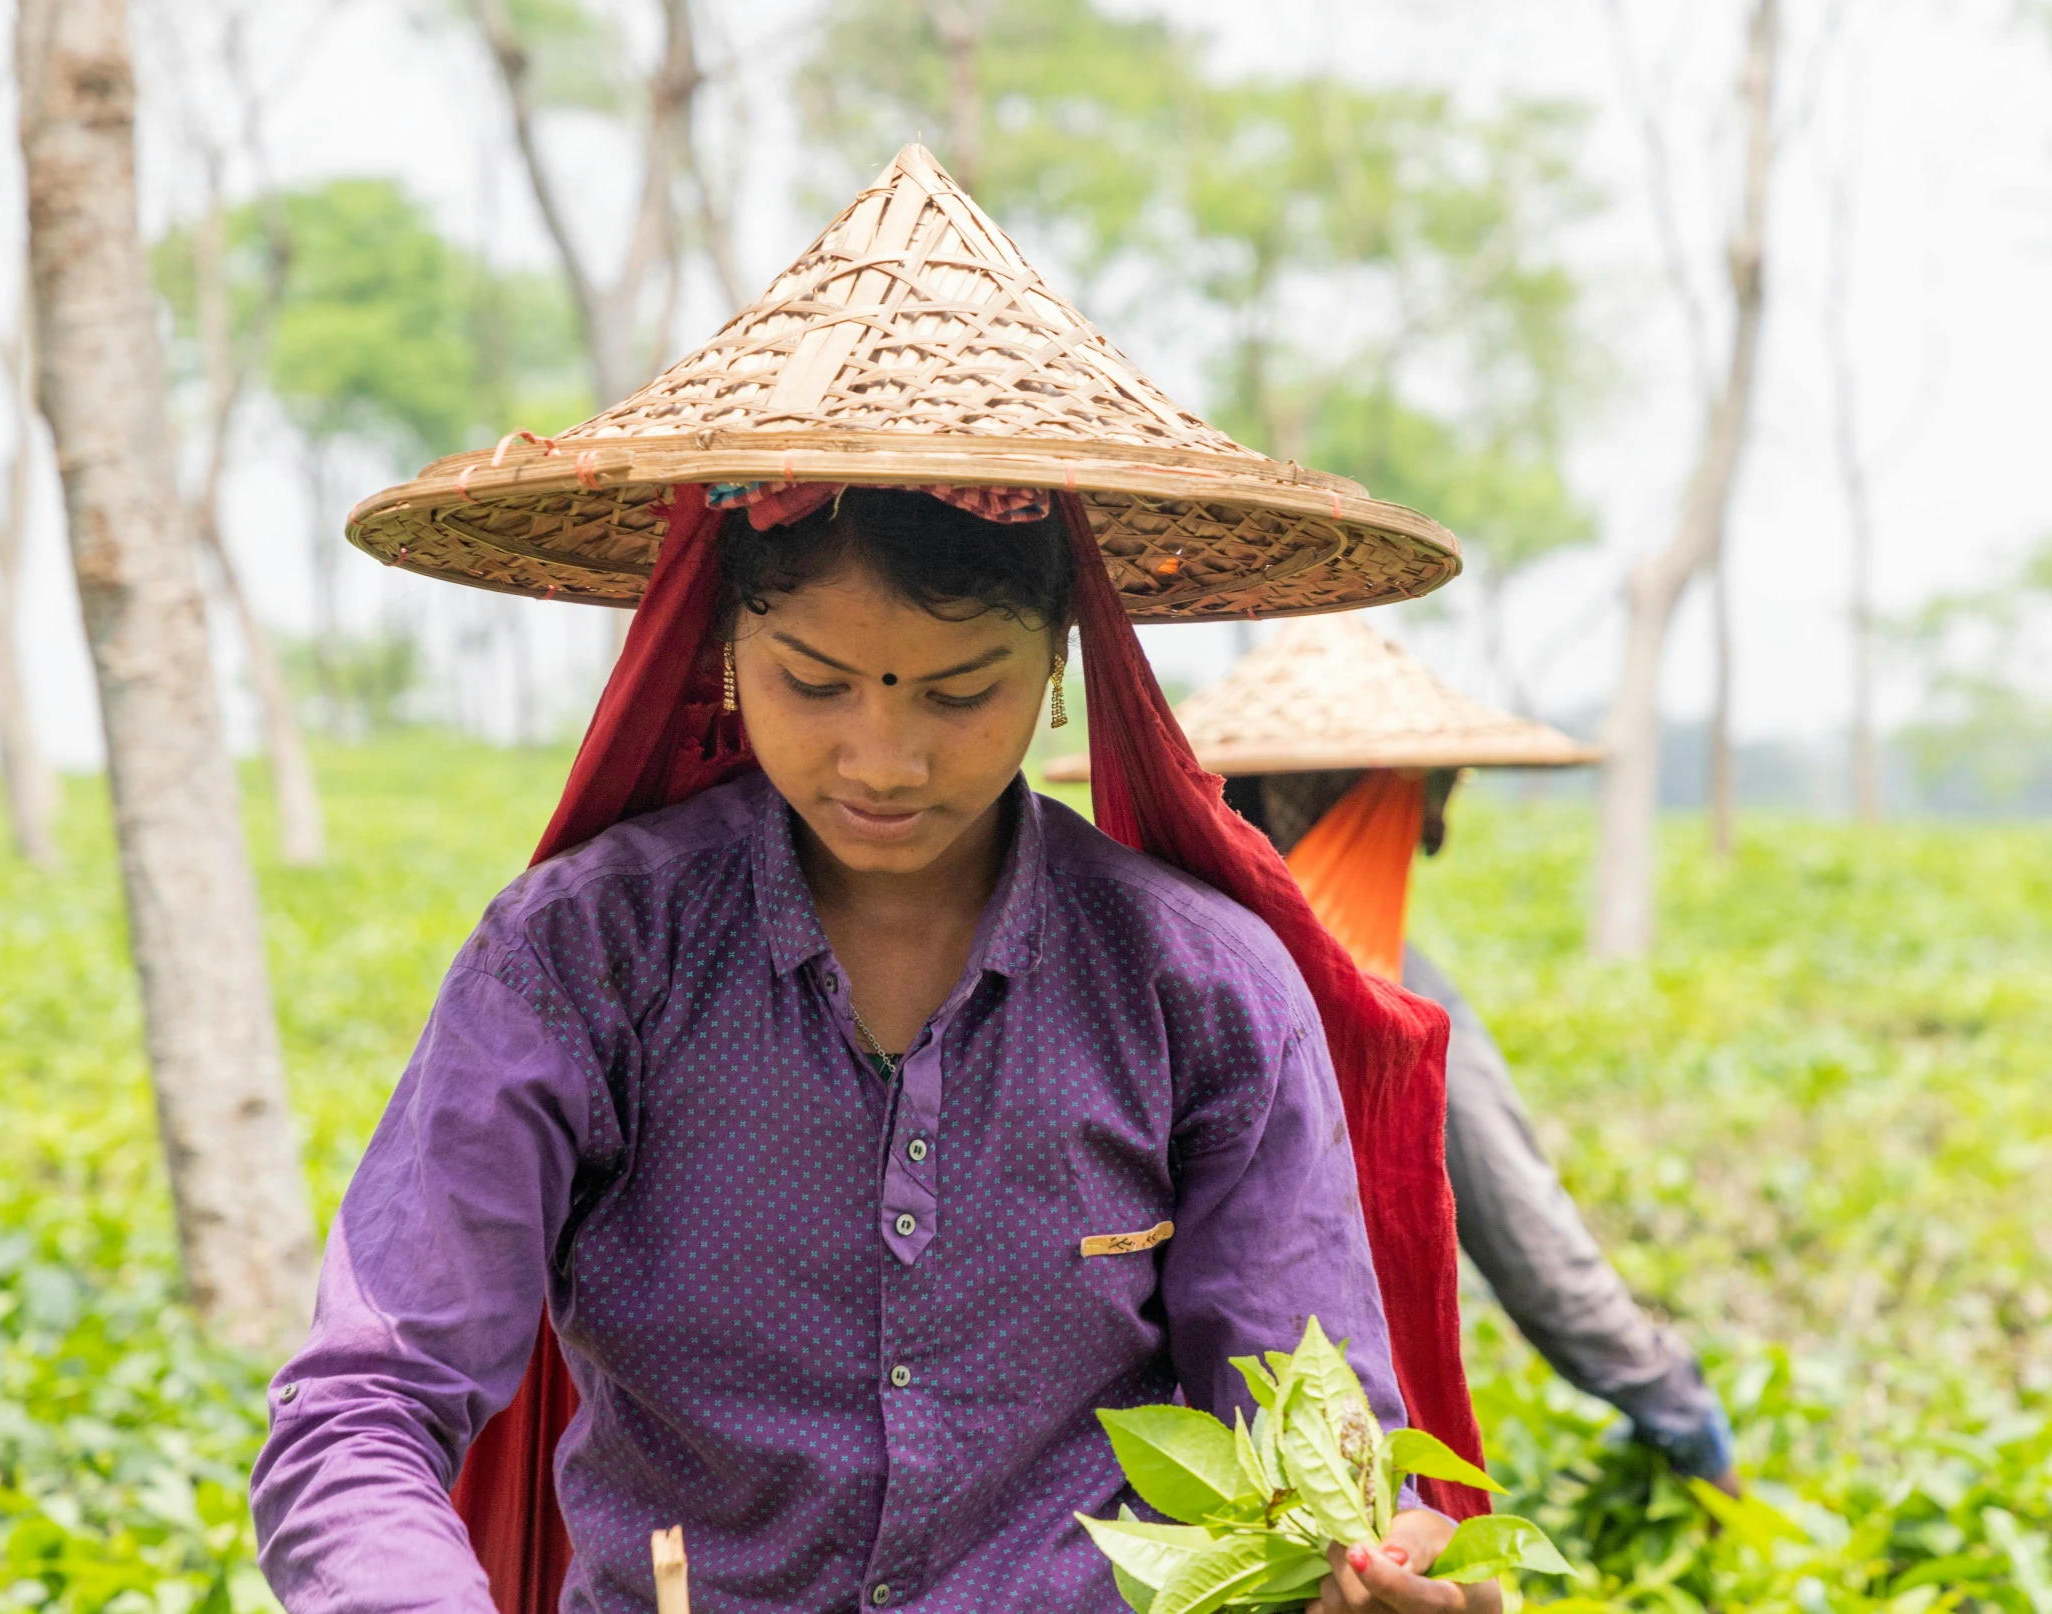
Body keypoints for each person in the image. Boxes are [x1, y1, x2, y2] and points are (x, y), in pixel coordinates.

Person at [252, 147, 1497, 1614]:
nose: (884, 757)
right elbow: (366, 1401)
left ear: (1059, 666)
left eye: (958, 690)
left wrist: (1373, 1569)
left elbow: (1312, 1453)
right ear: (724, 646)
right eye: (816, 682)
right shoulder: (587, 956)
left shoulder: (1198, 987)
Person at [1051, 617, 1739, 1493]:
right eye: (1428, 794)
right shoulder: (1386, 987)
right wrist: (1668, 1394)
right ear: (1377, 798)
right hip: (1296, 1454)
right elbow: (1527, 1237)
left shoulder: (1126, 936)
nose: (1436, 828)